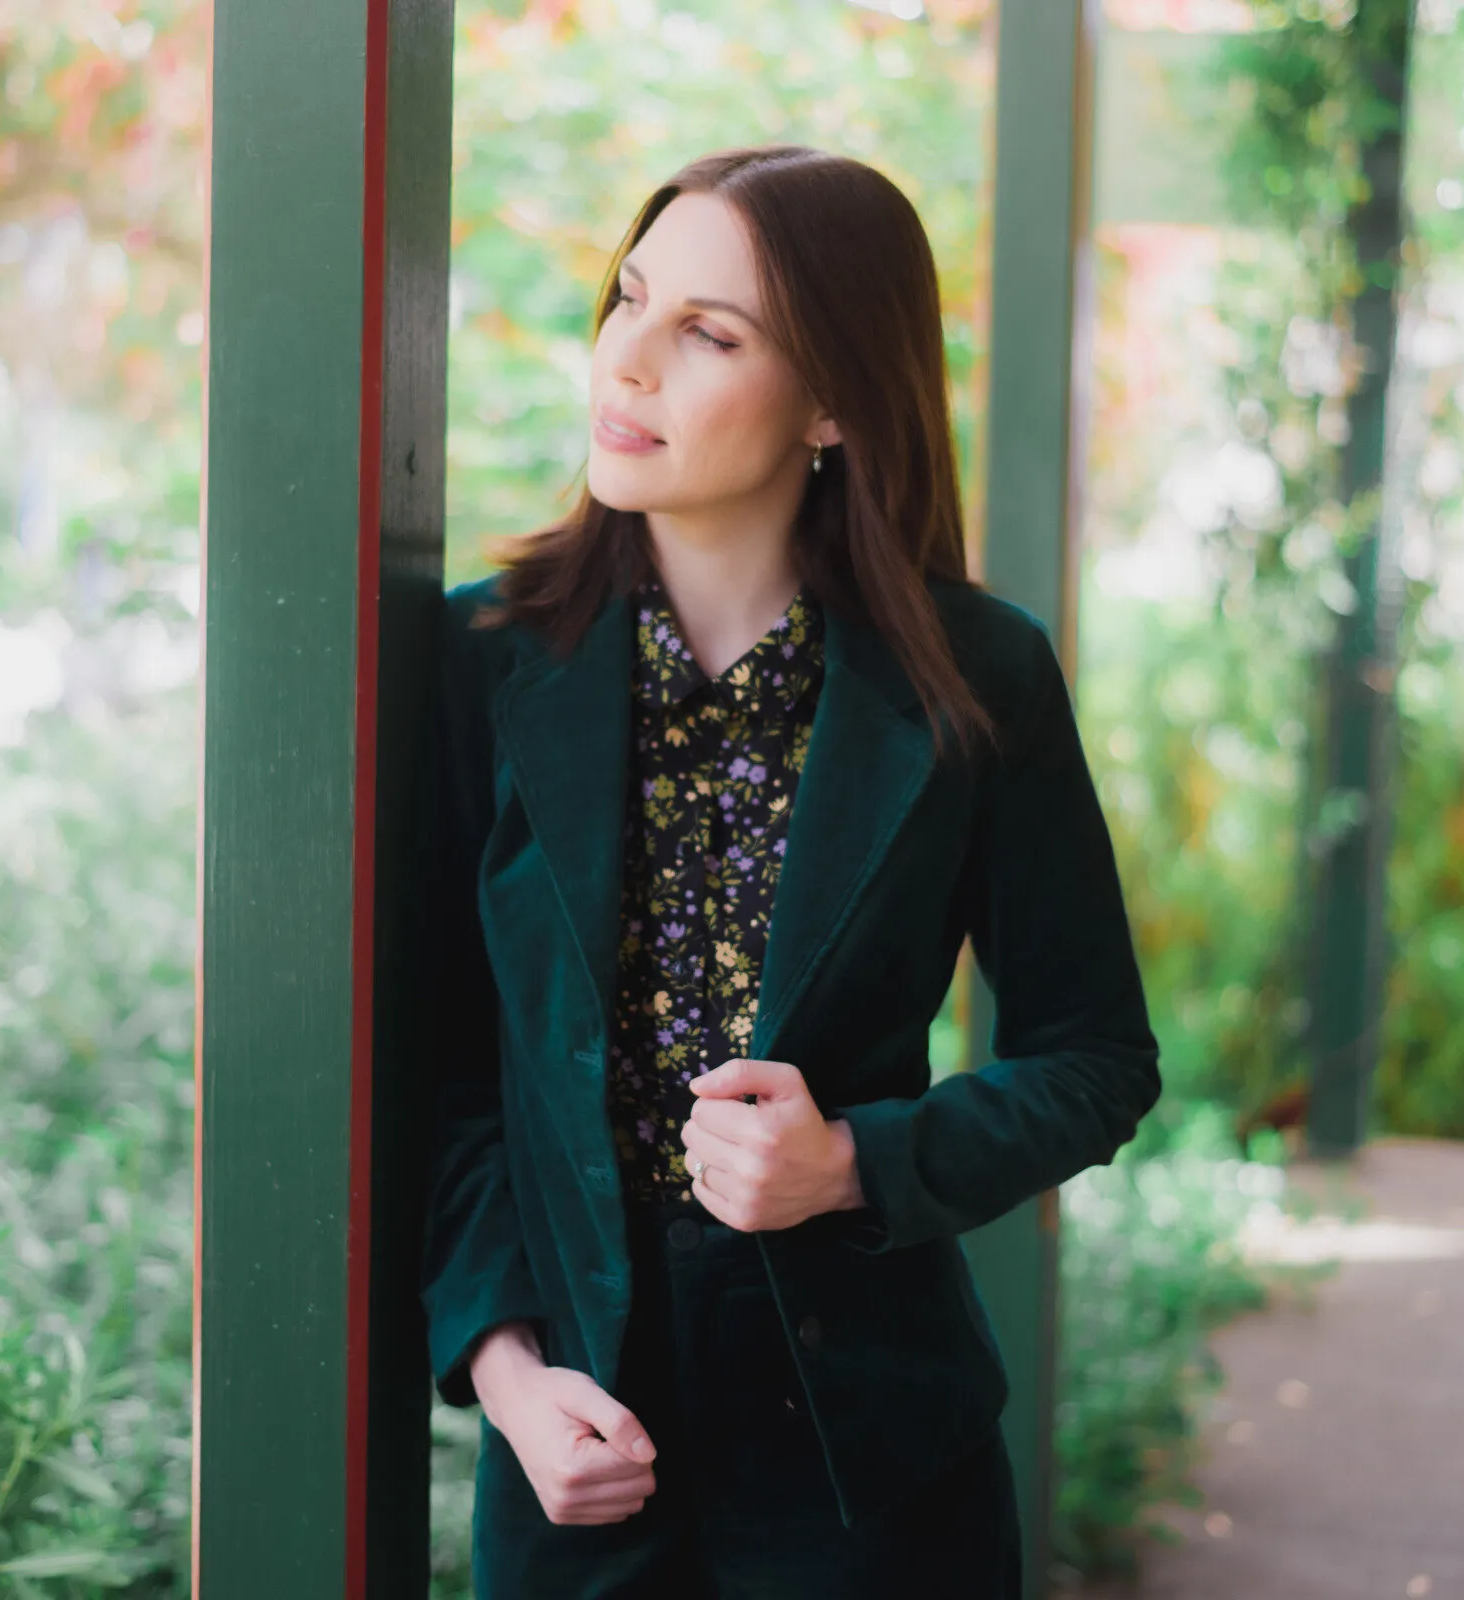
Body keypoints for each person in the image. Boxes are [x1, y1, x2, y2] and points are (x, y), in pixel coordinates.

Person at [420, 144, 1161, 1599]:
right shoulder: (481, 665)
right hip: (581, 1442)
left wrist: (857, 1164)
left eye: (709, 334)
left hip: (872, 1468)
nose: (628, 359)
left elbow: (1095, 1058)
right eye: (630, 299)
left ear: (832, 401)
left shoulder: (975, 676)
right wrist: (509, 1379)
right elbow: (443, 1077)